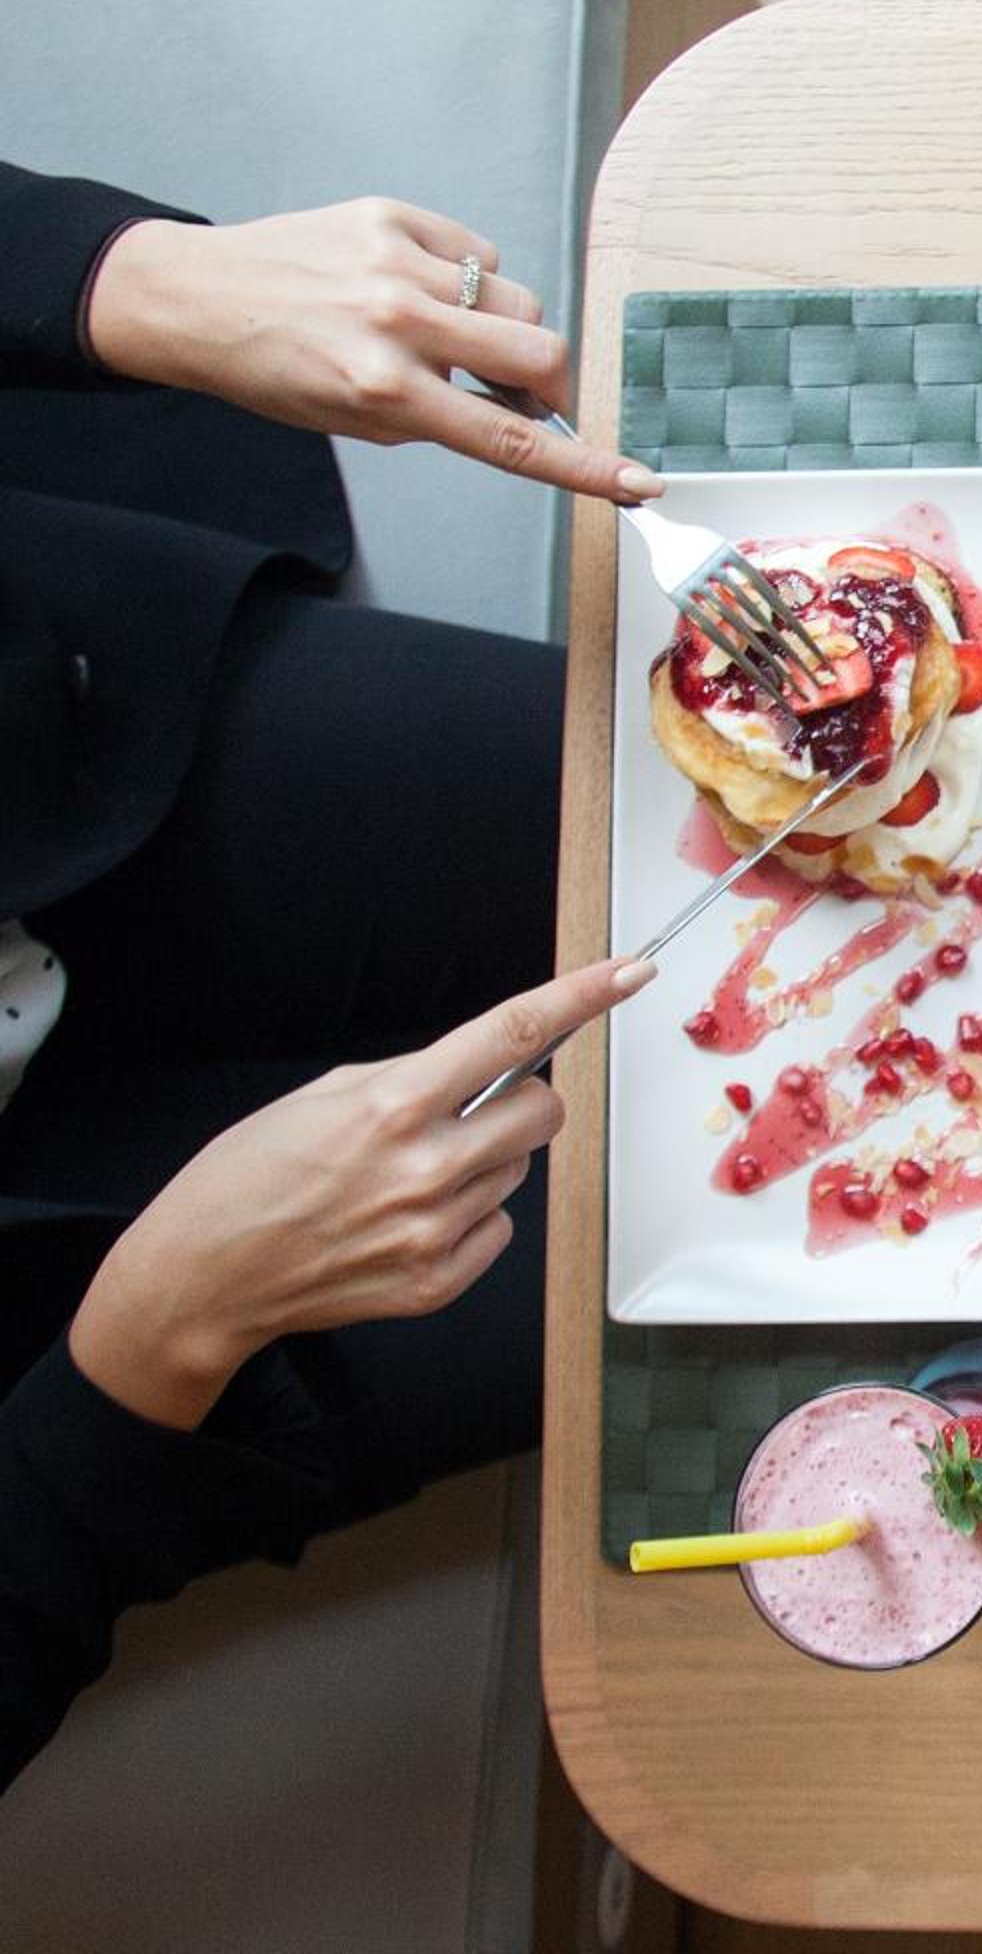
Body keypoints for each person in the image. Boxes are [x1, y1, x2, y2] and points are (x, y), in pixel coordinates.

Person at [0, 166, 654, 1787]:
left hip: (52, 763)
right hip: (82, 1333)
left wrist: (113, 280)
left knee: (723, 800)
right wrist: (159, 1330)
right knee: (812, 1242)